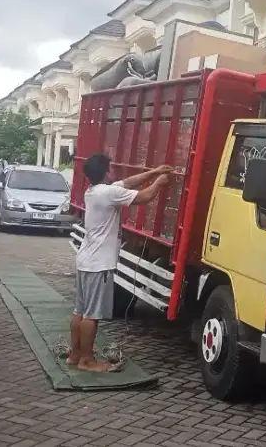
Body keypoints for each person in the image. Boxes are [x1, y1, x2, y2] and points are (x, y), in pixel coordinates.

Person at [68, 153, 173, 372]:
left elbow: (125, 183)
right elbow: (144, 197)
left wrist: (153, 172)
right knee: (92, 315)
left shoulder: (95, 191)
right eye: (111, 168)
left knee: (79, 311)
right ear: (106, 171)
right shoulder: (109, 193)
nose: (114, 171)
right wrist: (159, 183)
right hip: (99, 264)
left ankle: (75, 354)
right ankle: (87, 361)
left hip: (86, 260)